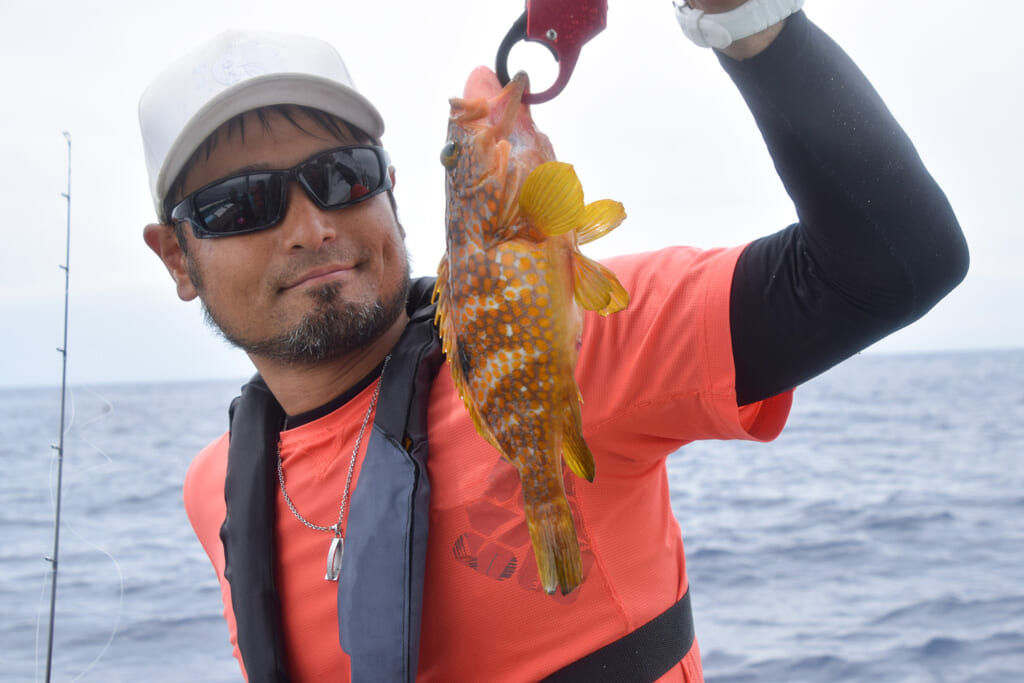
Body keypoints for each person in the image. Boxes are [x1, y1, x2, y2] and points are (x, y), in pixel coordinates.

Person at [139, 2, 968, 681]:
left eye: (341, 176)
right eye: (239, 205)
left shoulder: (587, 344)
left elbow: (892, 265)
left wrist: (746, 22)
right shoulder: (214, 486)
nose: (312, 226)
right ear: (177, 256)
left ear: (390, 189)